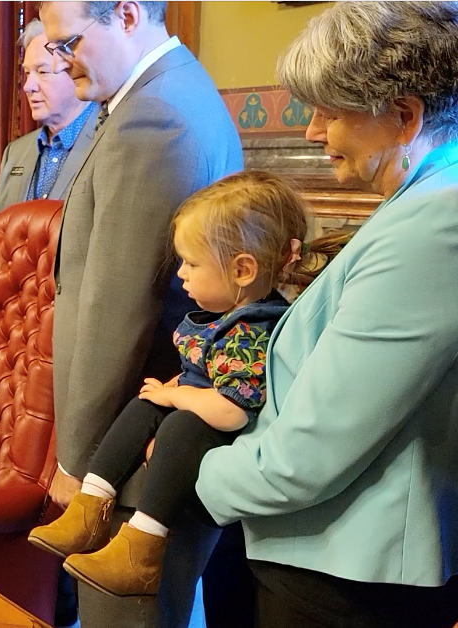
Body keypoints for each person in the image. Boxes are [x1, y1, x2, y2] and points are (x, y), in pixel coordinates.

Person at [196, 4, 458, 628]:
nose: (312, 132)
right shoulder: (423, 199)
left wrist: (199, 473)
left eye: (328, 113)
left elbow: (311, 452)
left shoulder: (433, 222)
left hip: (347, 577)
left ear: (404, 116)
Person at [30, 171, 347, 596]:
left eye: (192, 263)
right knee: (145, 403)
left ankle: (142, 544)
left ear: (242, 270)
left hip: (225, 439)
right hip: (204, 416)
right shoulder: (222, 317)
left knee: (179, 421)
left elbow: (233, 410)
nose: (181, 274)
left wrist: (176, 394)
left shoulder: (252, 330)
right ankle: (89, 508)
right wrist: (169, 391)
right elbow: (200, 370)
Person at [39, 2, 242, 625]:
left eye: (68, 40)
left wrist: (80, 461)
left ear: (126, 14)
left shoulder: (156, 117)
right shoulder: (148, 98)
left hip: (129, 455)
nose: (60, 59)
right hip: (135, 434)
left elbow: (118, 307)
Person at [0, 18, 98, 217]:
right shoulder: (15, 153)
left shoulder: (107, 142)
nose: (28, 87)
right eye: (27, 73)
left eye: (42, 72)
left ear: (75, 71)